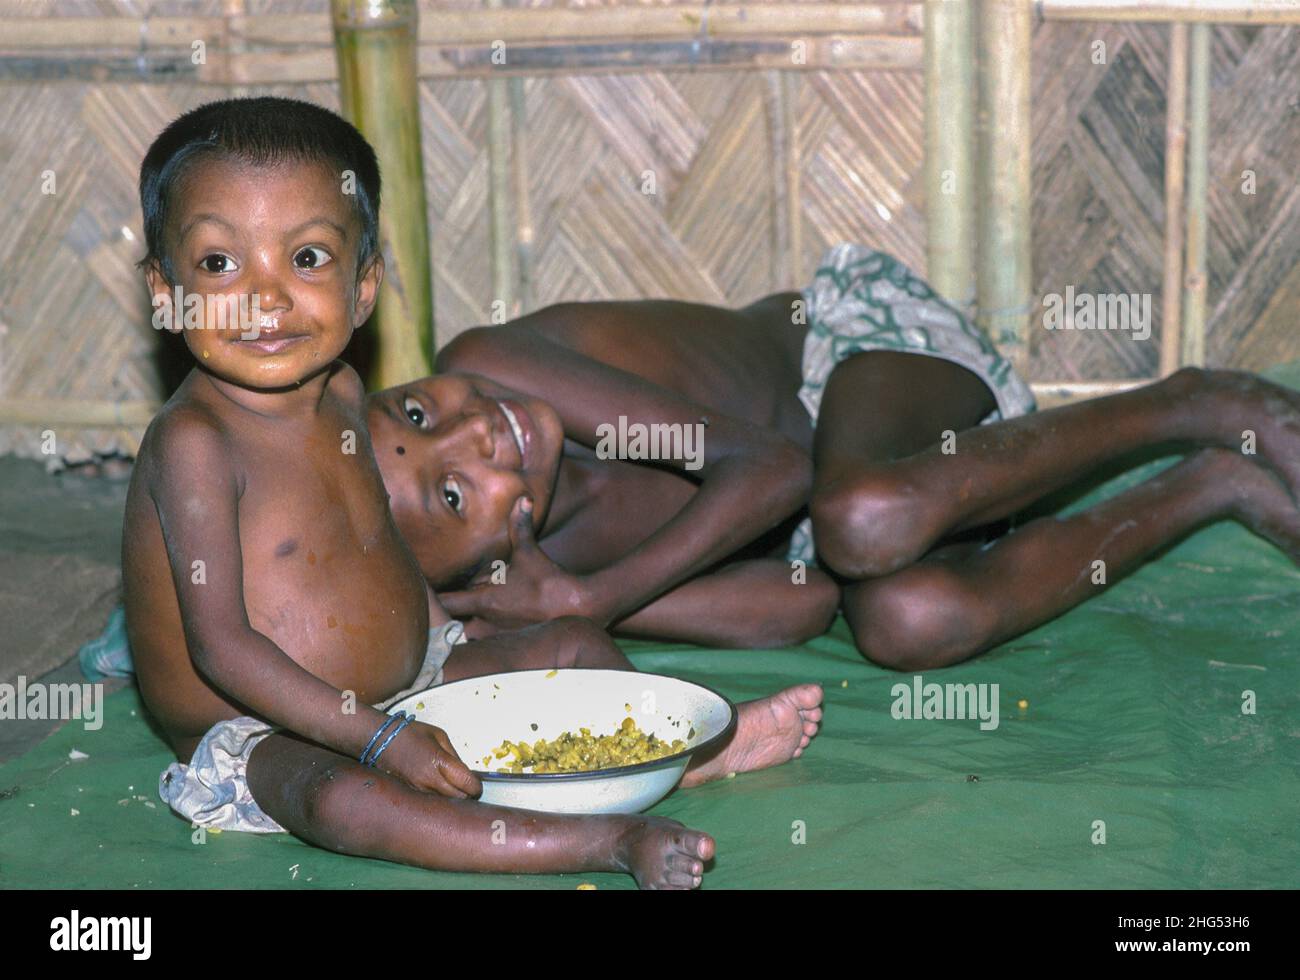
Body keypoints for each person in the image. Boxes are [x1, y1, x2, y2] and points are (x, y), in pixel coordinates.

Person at [122, 96, 820, 890]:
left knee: (571, 646)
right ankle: (602, 842)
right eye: (219, 264)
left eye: (307, 258)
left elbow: (374, 543)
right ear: (164, 291)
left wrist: (444, 637)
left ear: (364, 287)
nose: (266, 297)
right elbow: (223, 648)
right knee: (345, 803)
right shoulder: (194, 445)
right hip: (262, 726)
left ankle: (677, 759)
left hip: (412, 678)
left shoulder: (345, 392)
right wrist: (378, 739)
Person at [369, 249, 1300, 667]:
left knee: (865, 516)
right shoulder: (533, 579)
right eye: (451, 492)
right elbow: (802, 601)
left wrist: (594, 600)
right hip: (852, 515)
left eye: (417, 411)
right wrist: (563, 602)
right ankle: (1209, 484)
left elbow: (771, 470)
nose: (473, 432)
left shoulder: (490, 362)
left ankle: (1196, 401)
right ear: (466, 576)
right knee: (905, 621)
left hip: (858, 357)